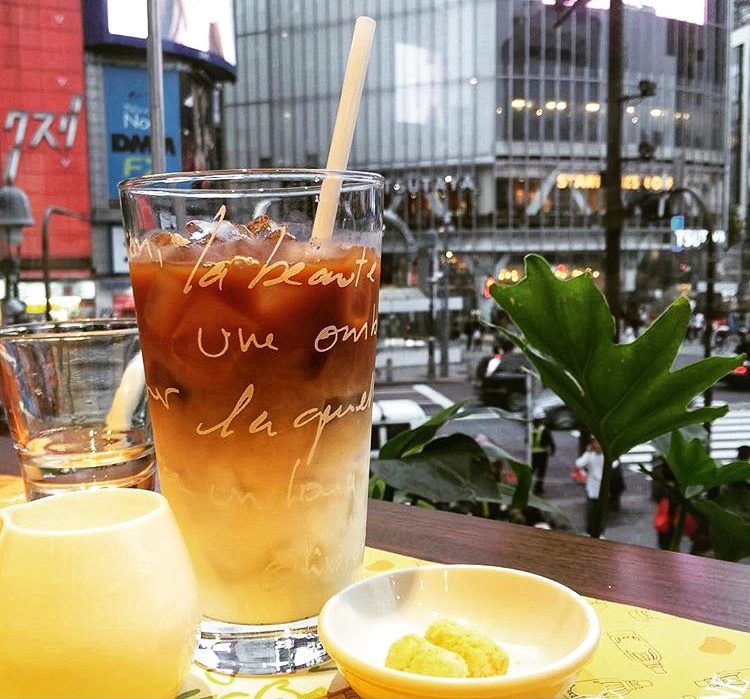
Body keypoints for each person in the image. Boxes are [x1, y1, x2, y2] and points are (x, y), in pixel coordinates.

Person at [575, 438, 604, 537]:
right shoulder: (590, 456)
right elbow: (579, 463)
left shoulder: (605, 457)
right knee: (590, 512)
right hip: (591, 488)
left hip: (602, 489)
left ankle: (600, 532)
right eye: (595, 443)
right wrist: (587, 453)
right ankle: (589, 531)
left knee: (600, 513)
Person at [530, 408, 555, 495]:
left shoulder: (530, 429)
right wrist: (552, 451)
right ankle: (538, 488)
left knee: (532, 471)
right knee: (541, 472)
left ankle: (531, 487)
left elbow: (526, 440)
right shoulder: (545, 430)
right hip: (542, 454)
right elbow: (551, 442)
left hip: (532, 454)